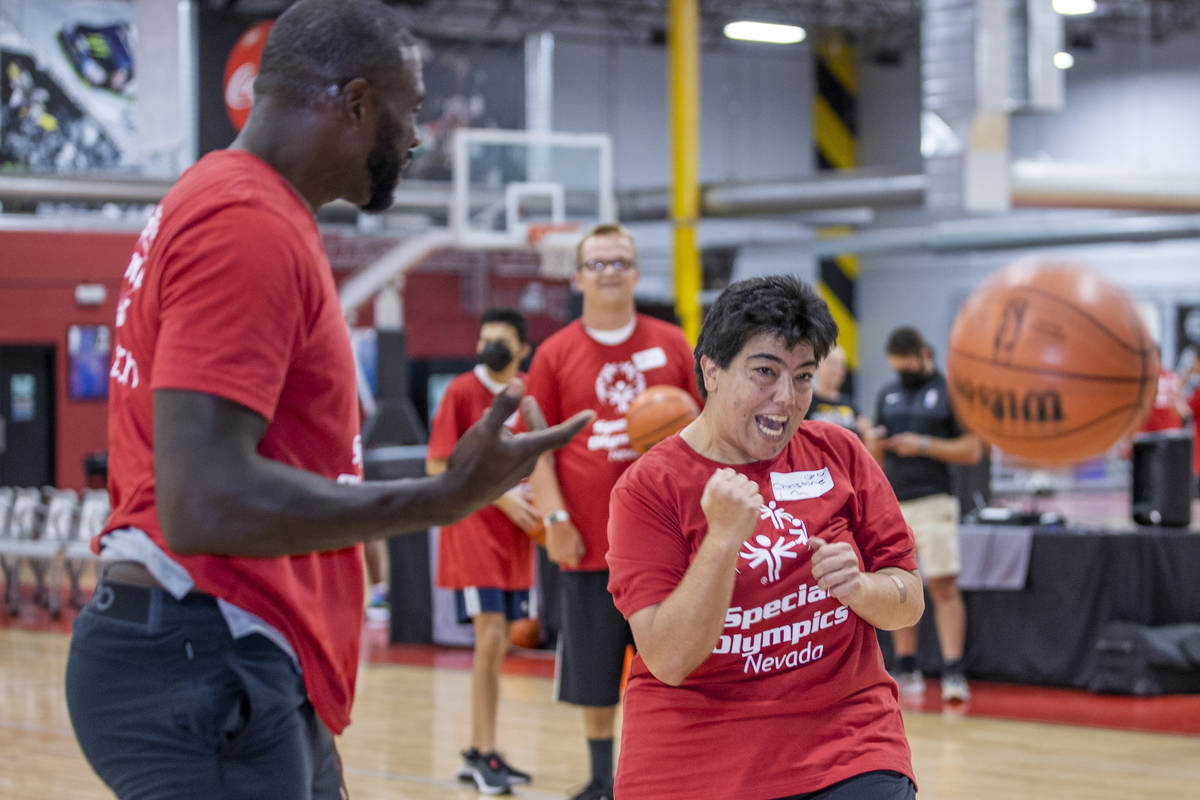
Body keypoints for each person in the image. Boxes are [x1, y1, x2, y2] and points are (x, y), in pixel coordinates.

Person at [63, 3, 592, 798]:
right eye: (408, 112)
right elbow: (203, 502)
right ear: (353, 103)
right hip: (201, 653)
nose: (417, 139)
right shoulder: (246, 223)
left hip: (229, 650)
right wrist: (442, 496)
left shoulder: (237, 203)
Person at [606, 275, 923, 799]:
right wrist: (721, 540)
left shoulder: (839, 453)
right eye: (764, 372)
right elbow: (668, 659)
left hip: (845, 744)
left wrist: (861, 590)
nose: (786, 397)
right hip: (694, 754)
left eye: (802, 376)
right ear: (711, 369)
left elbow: (907, 601)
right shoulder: (648, 488)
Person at [526, 223, 700, 800]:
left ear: (636, 271)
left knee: (678, 667)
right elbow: (540, 450)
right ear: (577, 277)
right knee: (595, 677)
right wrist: (553, 521)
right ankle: (602, 780)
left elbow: (702, 436)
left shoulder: (672, 343)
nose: (609, 271)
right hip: (590, 545)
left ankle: (681, 774)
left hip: (669, 543)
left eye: (620, 261)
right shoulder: (553, 355)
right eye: (597, 263)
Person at [427, 307, 539, 795]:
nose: (491, 346)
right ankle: (479, 751)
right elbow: (436, 466)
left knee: (501, 646)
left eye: (501, 339)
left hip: (518, 538)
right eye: (484, 338)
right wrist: (503, 496)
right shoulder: (460, 392)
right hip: (474, 532)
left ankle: (486, 751)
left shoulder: (532, 392)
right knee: (490, 638)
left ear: (522, 350)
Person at [867, 326, 982, 703]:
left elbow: (972, 450)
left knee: (943, 586)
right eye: (896, 368)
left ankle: (952, 671)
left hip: (935, 500)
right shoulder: (888, 394)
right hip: (894, 503)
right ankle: (906, 664)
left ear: (923, 354)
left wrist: (924, 445)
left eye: (907, 366)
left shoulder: (949, 392)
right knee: (899, 584)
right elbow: (875, 461)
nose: (902, 373)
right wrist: (876, 445)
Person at [804, 344, 871, 438]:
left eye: (841, 365)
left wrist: (866, 428)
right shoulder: (807, 401)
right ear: (817, 366)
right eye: (831, 363)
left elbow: (864, 428)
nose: (836, 370)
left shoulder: (849, 402)